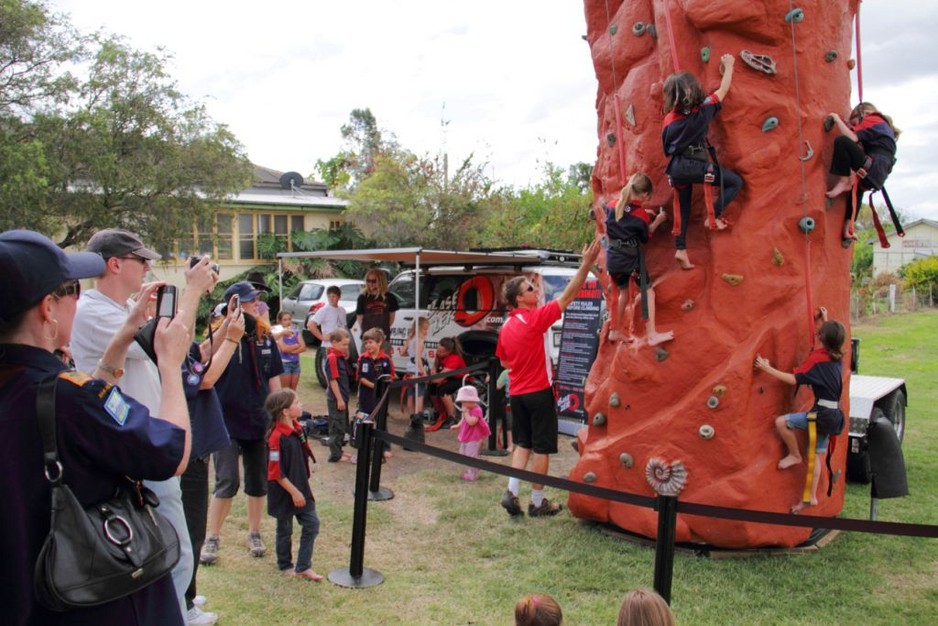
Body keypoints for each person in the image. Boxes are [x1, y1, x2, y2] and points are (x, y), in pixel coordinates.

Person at [0, 229, 191, 625]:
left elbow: (86, 404)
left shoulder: (27, 386)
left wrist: (121, 340)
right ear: (46, 309)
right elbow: (172, 453)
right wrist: (169, 363)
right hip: (95, 599)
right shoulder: (70, 397)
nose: (79, 298)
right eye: (72, 289)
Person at [70, 228, 216, 622]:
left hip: (142, 443)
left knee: (169, 547)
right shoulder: (93, 311)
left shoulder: (119, 310)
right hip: (133, 450)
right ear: (115, 264)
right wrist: (193, 290)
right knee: (174, 551)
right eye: (141, 259)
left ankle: (176, 609)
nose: (148, 267)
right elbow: (173, 344)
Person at [496, 239, 601, 517]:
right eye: (529, 288)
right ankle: (538, 501)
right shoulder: (535, 319)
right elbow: (568, 296)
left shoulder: (506, 326)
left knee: (523, 444)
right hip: (539, 393)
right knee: (541, 448)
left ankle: (511, 492)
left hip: (517, 393)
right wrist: (587, 264)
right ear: (520, 298)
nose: (534, 289)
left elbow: (504, 361)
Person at [201, 281, 284, 566]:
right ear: (233, 306)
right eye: (250, 302)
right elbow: (206, 374)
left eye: (256, 301)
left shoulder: (265, 337)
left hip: (259, 421)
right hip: (224, 421)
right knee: (227, 481)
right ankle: (211, 537)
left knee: (258, 480)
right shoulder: (219, 335)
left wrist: (280, 414)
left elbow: (274, 378)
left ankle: (254, 532)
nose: (256, 306)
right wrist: (228, 336)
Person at [178, 299, 246, 625]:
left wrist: (225, 327)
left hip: (196, 447)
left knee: (195, 528)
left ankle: (187, 592)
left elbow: (202, 353)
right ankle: (185, 607)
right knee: (190, 530)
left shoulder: (176, 344)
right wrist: (232, 339)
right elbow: (205, 378)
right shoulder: (162, 346)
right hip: (184, 452)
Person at [753, 307, 846, 513]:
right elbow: (830, 339)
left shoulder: (817, 362)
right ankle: (810, 497)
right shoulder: (837, 356)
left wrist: (767, 368)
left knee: (782, 423)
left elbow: (794, 379)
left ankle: (795, 455)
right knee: (816, 456)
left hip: (821, 415)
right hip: (833, 415)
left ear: (822, 338)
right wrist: (826, 321)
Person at [661, 54, 742, 270]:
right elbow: (722, 91)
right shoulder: (702, 112)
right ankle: (713, 216)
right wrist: (729, 65)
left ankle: (681, 250)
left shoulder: (668, 120)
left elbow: (665, 147)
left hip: (676, 168)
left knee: (683, 207)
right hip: (695, 165)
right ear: (692, 90)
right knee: (735, 182)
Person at [605, 172, 673, 345]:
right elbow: (645, 237)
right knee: (648, 291)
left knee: (624, 293)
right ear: (643, 194)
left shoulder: (612, 205)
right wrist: (657, 220)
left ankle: (615, 330)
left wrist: (643, 213)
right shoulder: (640, 215)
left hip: (613, 259)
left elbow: (625, 217)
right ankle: (652, 334)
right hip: (630, 261)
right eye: (647, 196)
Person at [265, 389, 323, 582]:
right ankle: (285, 564)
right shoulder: (276, 438)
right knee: (285, 529)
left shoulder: (297, 428)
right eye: (296, 403)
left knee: (312, 524)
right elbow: (276, 473)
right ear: (285, 411)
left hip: (301, 487)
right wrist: (294, 492)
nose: (301, 405)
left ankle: (303, 566)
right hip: (285, 492)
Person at [825, 102, 900, 240]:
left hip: (874, 166)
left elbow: (852, 138)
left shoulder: (872, 119)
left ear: (862, 114)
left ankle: (843, 181)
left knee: (842, 141)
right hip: (877, 174)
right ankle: (848, 227)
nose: (854, 127)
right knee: (858, 188)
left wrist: (836, 118)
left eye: (855, 123)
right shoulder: (883, 127)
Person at [356, 327, 395, 460]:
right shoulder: (362, 359)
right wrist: (373, 385)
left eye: (370, 342)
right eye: (365, 343)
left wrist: (382, 387)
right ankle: (366, 445)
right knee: (365, 419)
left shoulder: (386, 359)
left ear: (379, 342)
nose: (368, 345)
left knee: (381, 421)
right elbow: (360, 377)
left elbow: (391, 376)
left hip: (380, 396)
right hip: (366, 395)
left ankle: (385, 447)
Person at [426, 335, 468, 432]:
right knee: (432, 387)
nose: (438, 352)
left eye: (441, 351)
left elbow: (439, 379)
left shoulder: (454, 359)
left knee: (443, 390)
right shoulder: (439, 354)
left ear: (448, 352)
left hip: (462, 379)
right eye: (437, 349)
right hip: (450, 377)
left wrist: (424, 378)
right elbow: (436, 364)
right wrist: (433, 369)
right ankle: (439, 412)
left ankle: (451, 417)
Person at [450, 385, 491, 480]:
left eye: (464, 401)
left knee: (470, 456)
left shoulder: (477, 410)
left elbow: (472, 422)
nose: (462, 404)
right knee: (464, 453)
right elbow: (464, 419)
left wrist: (466, 413)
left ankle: (472, 475)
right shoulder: (466, 409)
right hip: (466, 435)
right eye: (462, 402)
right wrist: (458, 425)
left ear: (472, 400)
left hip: (474, 437)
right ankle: (477, 465)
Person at [324, 327, 353, 463]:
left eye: (347, 344)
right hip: (337, 398)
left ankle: (339, 450)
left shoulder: (340, 357)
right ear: (334, 342)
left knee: (342, 425)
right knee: (336, 426)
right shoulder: (332, 358)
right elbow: (333, 379)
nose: (346, 347)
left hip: (343, 396)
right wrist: (339, 399)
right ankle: (335, 454)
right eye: (343, 344)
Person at [355, 268, 398, 354]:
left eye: (374, 281)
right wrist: (368, 332)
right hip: (367, 338)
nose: (370, 283)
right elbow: (360, 318)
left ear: (381, 281)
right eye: (368, 281)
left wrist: (381, 330)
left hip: (383, 337)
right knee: (367, 363)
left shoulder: (390, 297)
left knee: (384, 364)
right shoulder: (362, 297)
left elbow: (391, 319)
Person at [401, 316, 430, 420]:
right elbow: (418, 359)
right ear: (419, 328)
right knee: (420, 395)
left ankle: (411, 417)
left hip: (409, 369)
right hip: (417, 370)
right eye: (425, 329)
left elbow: (402, 353)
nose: (426, 331)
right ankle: (418, 419)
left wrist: (410, 354)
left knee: (410, 394)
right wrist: (423, 372)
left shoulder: (410, 338)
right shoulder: (420, 341)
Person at [275, 311, 306, 390]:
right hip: (285, 364)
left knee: (293, 390)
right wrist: (296, 345)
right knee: (286, 390)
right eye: (285, 320)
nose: (288, 322)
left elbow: (303, 347)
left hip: (296, 363)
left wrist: (291, 351)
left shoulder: (295, 330)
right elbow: (284, 348)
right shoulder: (278, 331)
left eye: (289, 319)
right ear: (280, 321)